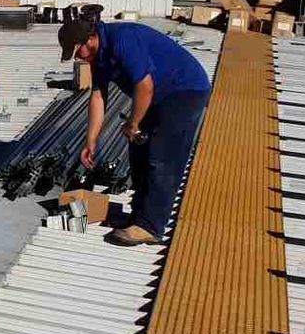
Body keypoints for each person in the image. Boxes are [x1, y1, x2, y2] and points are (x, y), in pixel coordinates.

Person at [58, 18, 211, 246]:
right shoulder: (97, 56)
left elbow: (145, 86)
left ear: (90, 40)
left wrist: (134, 123)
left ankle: (150, 226)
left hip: (185, 90)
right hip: (156, 96)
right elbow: (98, 97)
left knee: (162, 158)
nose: (78, 57)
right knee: (138, 153)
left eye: (77, 51)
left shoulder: (123, 40)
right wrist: (91, 141)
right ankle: (138, 217)